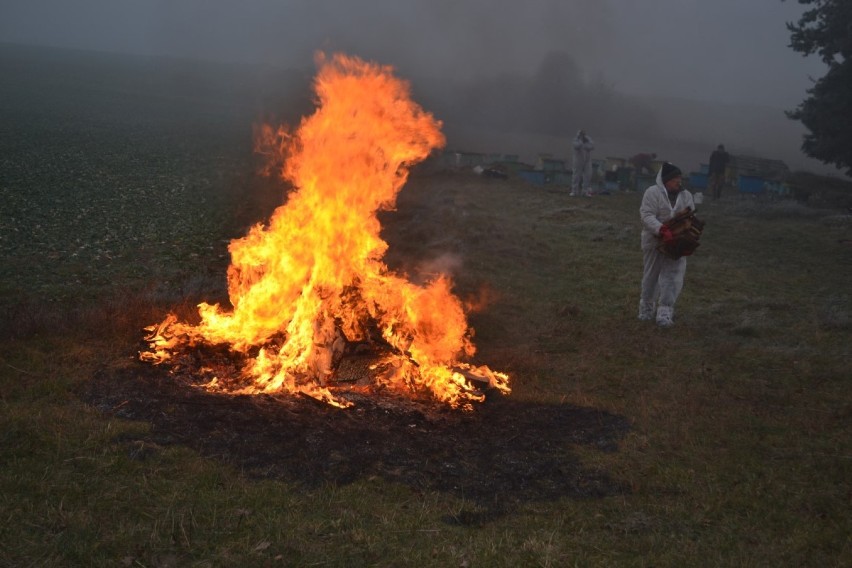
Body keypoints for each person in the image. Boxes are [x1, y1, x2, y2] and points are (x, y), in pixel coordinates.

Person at [638, 162, 695, 327]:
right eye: (675, 178)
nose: (679, 181)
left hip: (675, 244)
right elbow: (647, 215)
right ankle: (646, 309)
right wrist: (661, 229)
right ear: (665, 180)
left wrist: (686, 239)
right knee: (651, 275)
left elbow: (689, 218)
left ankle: (665, 312)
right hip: (653, 242)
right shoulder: (652, 193)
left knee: (672, 276)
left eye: (680, 178)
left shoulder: (686, 196)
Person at [570, 129, 594, 196]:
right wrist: (581, 141)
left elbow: (592, 146)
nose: (583, 136)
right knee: (576, 176)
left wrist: (586, 141)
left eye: (584, 134)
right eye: (581, 134)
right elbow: (577, 146)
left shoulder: (588, 140)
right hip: (578, 161)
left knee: (588, 175)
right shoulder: (575, 140)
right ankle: (574, 191)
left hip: (587, 161)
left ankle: (585, 191)